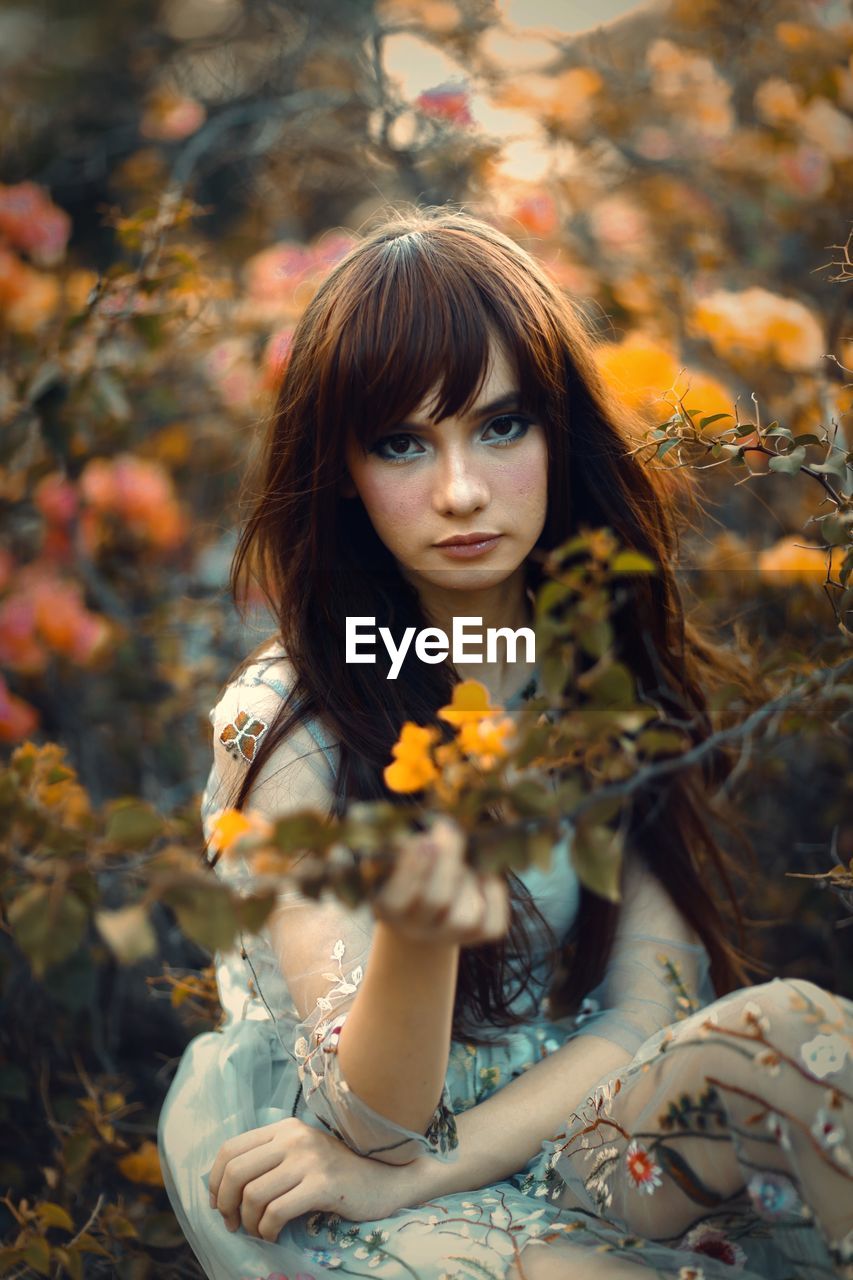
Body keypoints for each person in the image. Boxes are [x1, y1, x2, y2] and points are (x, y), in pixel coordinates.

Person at [158, 206, 853, 1280]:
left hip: (564, 1130)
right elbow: (373, 1124)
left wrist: (422, 1169)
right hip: (343, 1180)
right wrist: (419, 934)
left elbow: (645, 1011)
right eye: (401, 441)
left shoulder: (606, 673)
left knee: (803, 1031)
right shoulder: (289, 717)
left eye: (499, 425)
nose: (461, 491)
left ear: (555, 427)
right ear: (342, 468)